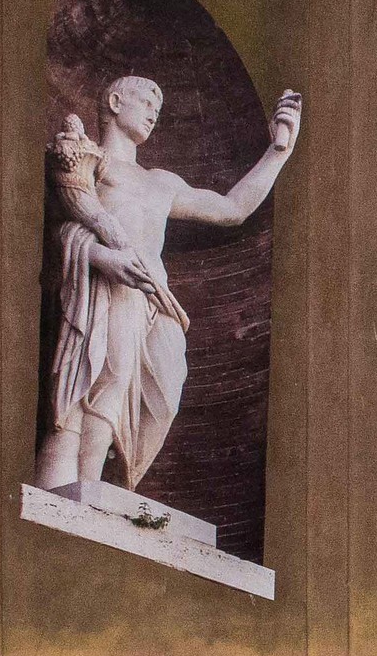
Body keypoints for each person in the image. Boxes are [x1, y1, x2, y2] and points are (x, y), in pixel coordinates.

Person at [32, 75, 303, 492]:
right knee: (107, 378)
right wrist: (104, 258)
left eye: (158, 108)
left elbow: (232, 208)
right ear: (116, 102)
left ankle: (116, 484)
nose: (154, 113)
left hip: (155, 298)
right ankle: (84, 486)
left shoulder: (162, 181)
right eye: (146, 101)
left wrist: (279, 151)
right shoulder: (91, 160)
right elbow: (60, 231)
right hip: (108, 286)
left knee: (165, 391)